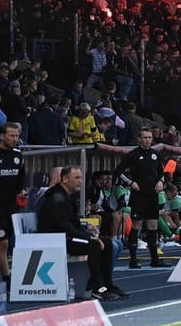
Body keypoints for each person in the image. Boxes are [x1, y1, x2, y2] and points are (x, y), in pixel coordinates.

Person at [37, 166, 124, 300]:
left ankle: (108, 285)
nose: (80, 181)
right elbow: (64, 227)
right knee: (93, 245)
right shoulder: (57, 198)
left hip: (65, 236)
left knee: (107, 242)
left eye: (81, 178)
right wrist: (89, 238)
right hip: (56, 239)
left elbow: (75, 223)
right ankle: (96, 288)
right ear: (65, 179)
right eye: (76, 178)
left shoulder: (69, 197)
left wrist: (90, 234)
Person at [115, 127, 167, 268]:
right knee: (137, 225)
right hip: (139, 195)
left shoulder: (155, 154)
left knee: (153, 226)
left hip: (152, 195)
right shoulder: (133, 154)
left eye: (149, 137)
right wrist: (130, 182)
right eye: (145, 137)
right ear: (139, 139)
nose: (147, 140)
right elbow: (119, 171)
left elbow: (162, 173)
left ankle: (155, 259)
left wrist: (161, 181)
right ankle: (133, 259)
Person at [0, 122, 24, 292]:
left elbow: (21, 180)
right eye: (12, 136)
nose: (15, 139)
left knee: (8, 243)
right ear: (2, 136)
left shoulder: (18, 155)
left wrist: (22, 192)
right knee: (2, 242)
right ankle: (7, 279)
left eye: (17, 136)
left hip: (12, 207)